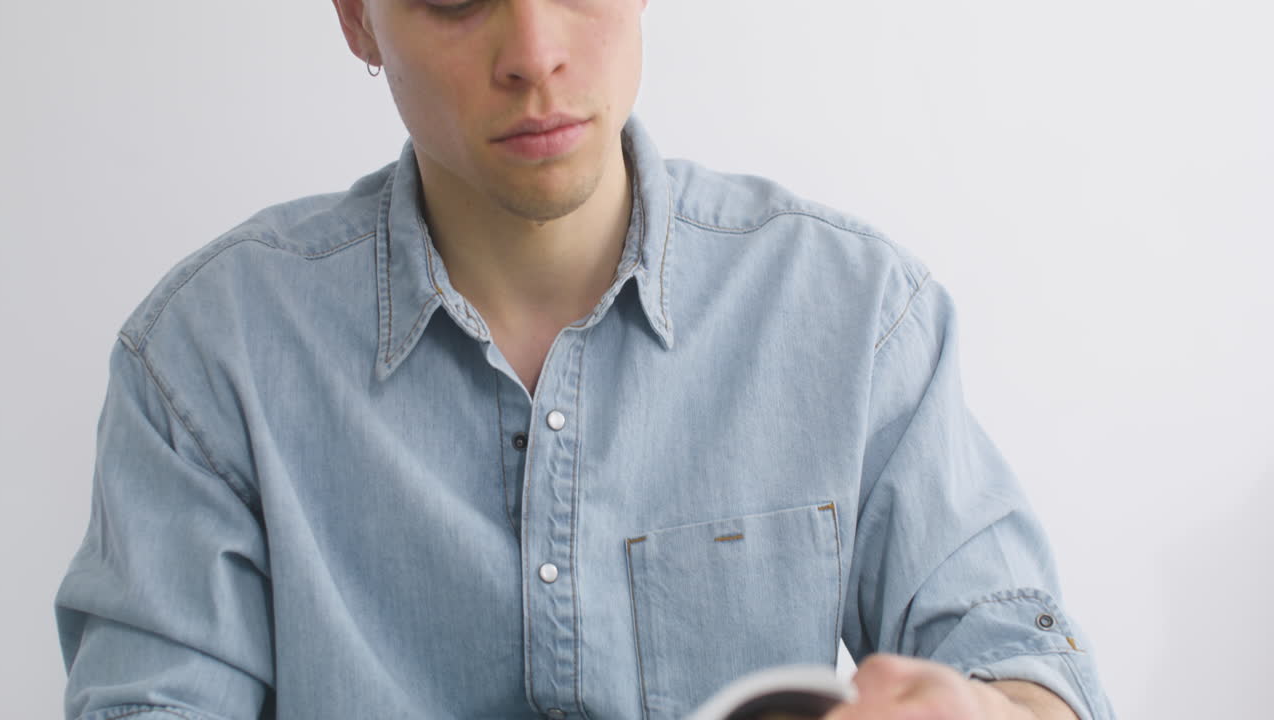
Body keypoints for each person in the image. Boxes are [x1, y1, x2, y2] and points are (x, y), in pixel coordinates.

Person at [54, 2, 1115, 719]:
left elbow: (1025, 659)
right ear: (354, 18)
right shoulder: (205, 362)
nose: (533, 52)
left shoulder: (854, 315)